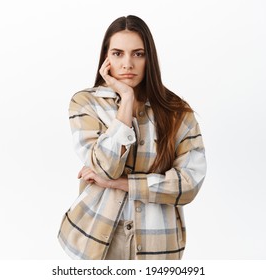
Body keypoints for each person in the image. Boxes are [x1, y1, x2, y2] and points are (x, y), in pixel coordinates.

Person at [57, 15, 207, 260]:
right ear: (106, 58)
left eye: (138, 54)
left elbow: (189, 184)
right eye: (118, 53)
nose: (128, 64)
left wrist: (122, 184)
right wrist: (126, 99)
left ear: (150, 59)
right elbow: (106, 167)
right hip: (95, 235)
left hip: (158, 242)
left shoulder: (178, 112)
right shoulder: (86, 103)